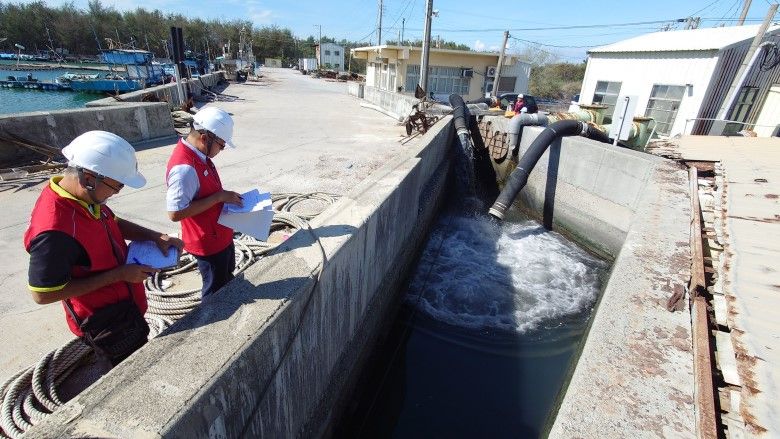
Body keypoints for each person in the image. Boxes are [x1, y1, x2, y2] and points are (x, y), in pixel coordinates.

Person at [24, 131, 183, 365]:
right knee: (128, 375)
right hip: (106, 322)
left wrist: (155, 236)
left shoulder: (84, 199)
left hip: (125, 307)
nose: (116, 193)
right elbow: (42, 293)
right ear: (89, 178)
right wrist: (119, 275)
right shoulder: (54, 230)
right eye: (116, 186)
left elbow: (111, 221)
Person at [165, 107, 242, 297]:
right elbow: (175, 213)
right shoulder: (184, 169)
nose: (221, 150)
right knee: (214, 291)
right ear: (205, 138)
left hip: (220, 235)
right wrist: (219, 197)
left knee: (226, 280)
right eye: (221, 145)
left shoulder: (199, 155)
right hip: (208, 243)